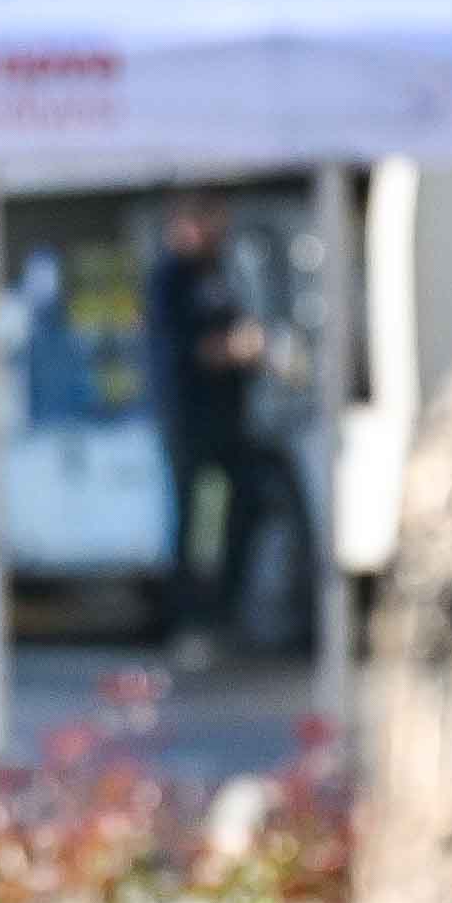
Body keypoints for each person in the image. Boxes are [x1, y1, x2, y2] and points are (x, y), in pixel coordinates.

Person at [142, 197, 299, 657]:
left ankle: (227, 612)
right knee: (195, 521)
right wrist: (235, 349)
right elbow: (186, 349)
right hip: (189, 419)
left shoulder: (219, 272)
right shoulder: (170, 278)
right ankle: (190, 620)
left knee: (243, 508)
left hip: (229, 419)